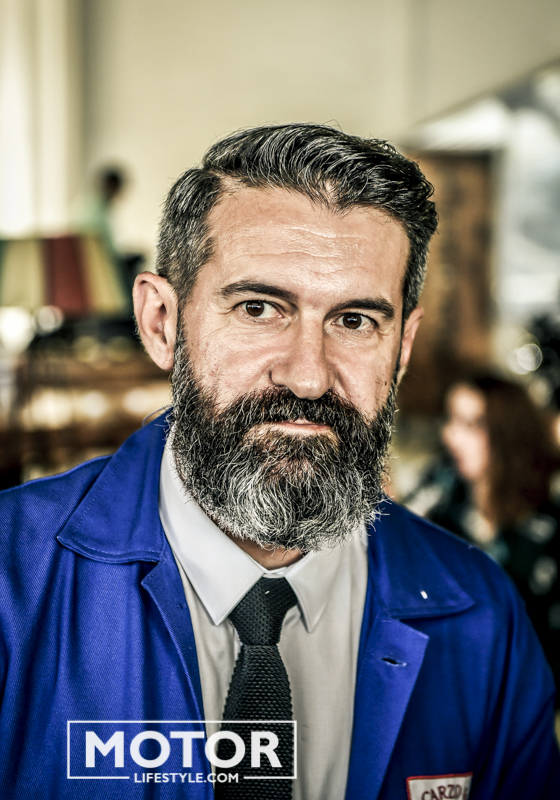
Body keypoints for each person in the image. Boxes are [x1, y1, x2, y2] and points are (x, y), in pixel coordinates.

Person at [0, 124, 558, 799]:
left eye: (355, 321)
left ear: (402, 348)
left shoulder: (478, 617)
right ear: (160, 323)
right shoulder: (12, 583)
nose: (309, 377)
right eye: (259, 309)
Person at [423, 374, 560, 701]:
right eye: (451, 420)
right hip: (448, 692)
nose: (451, 436)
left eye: (472, 425)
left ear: (506, 433)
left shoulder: (546, 529)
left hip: (524, 702)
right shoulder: (440, 504)